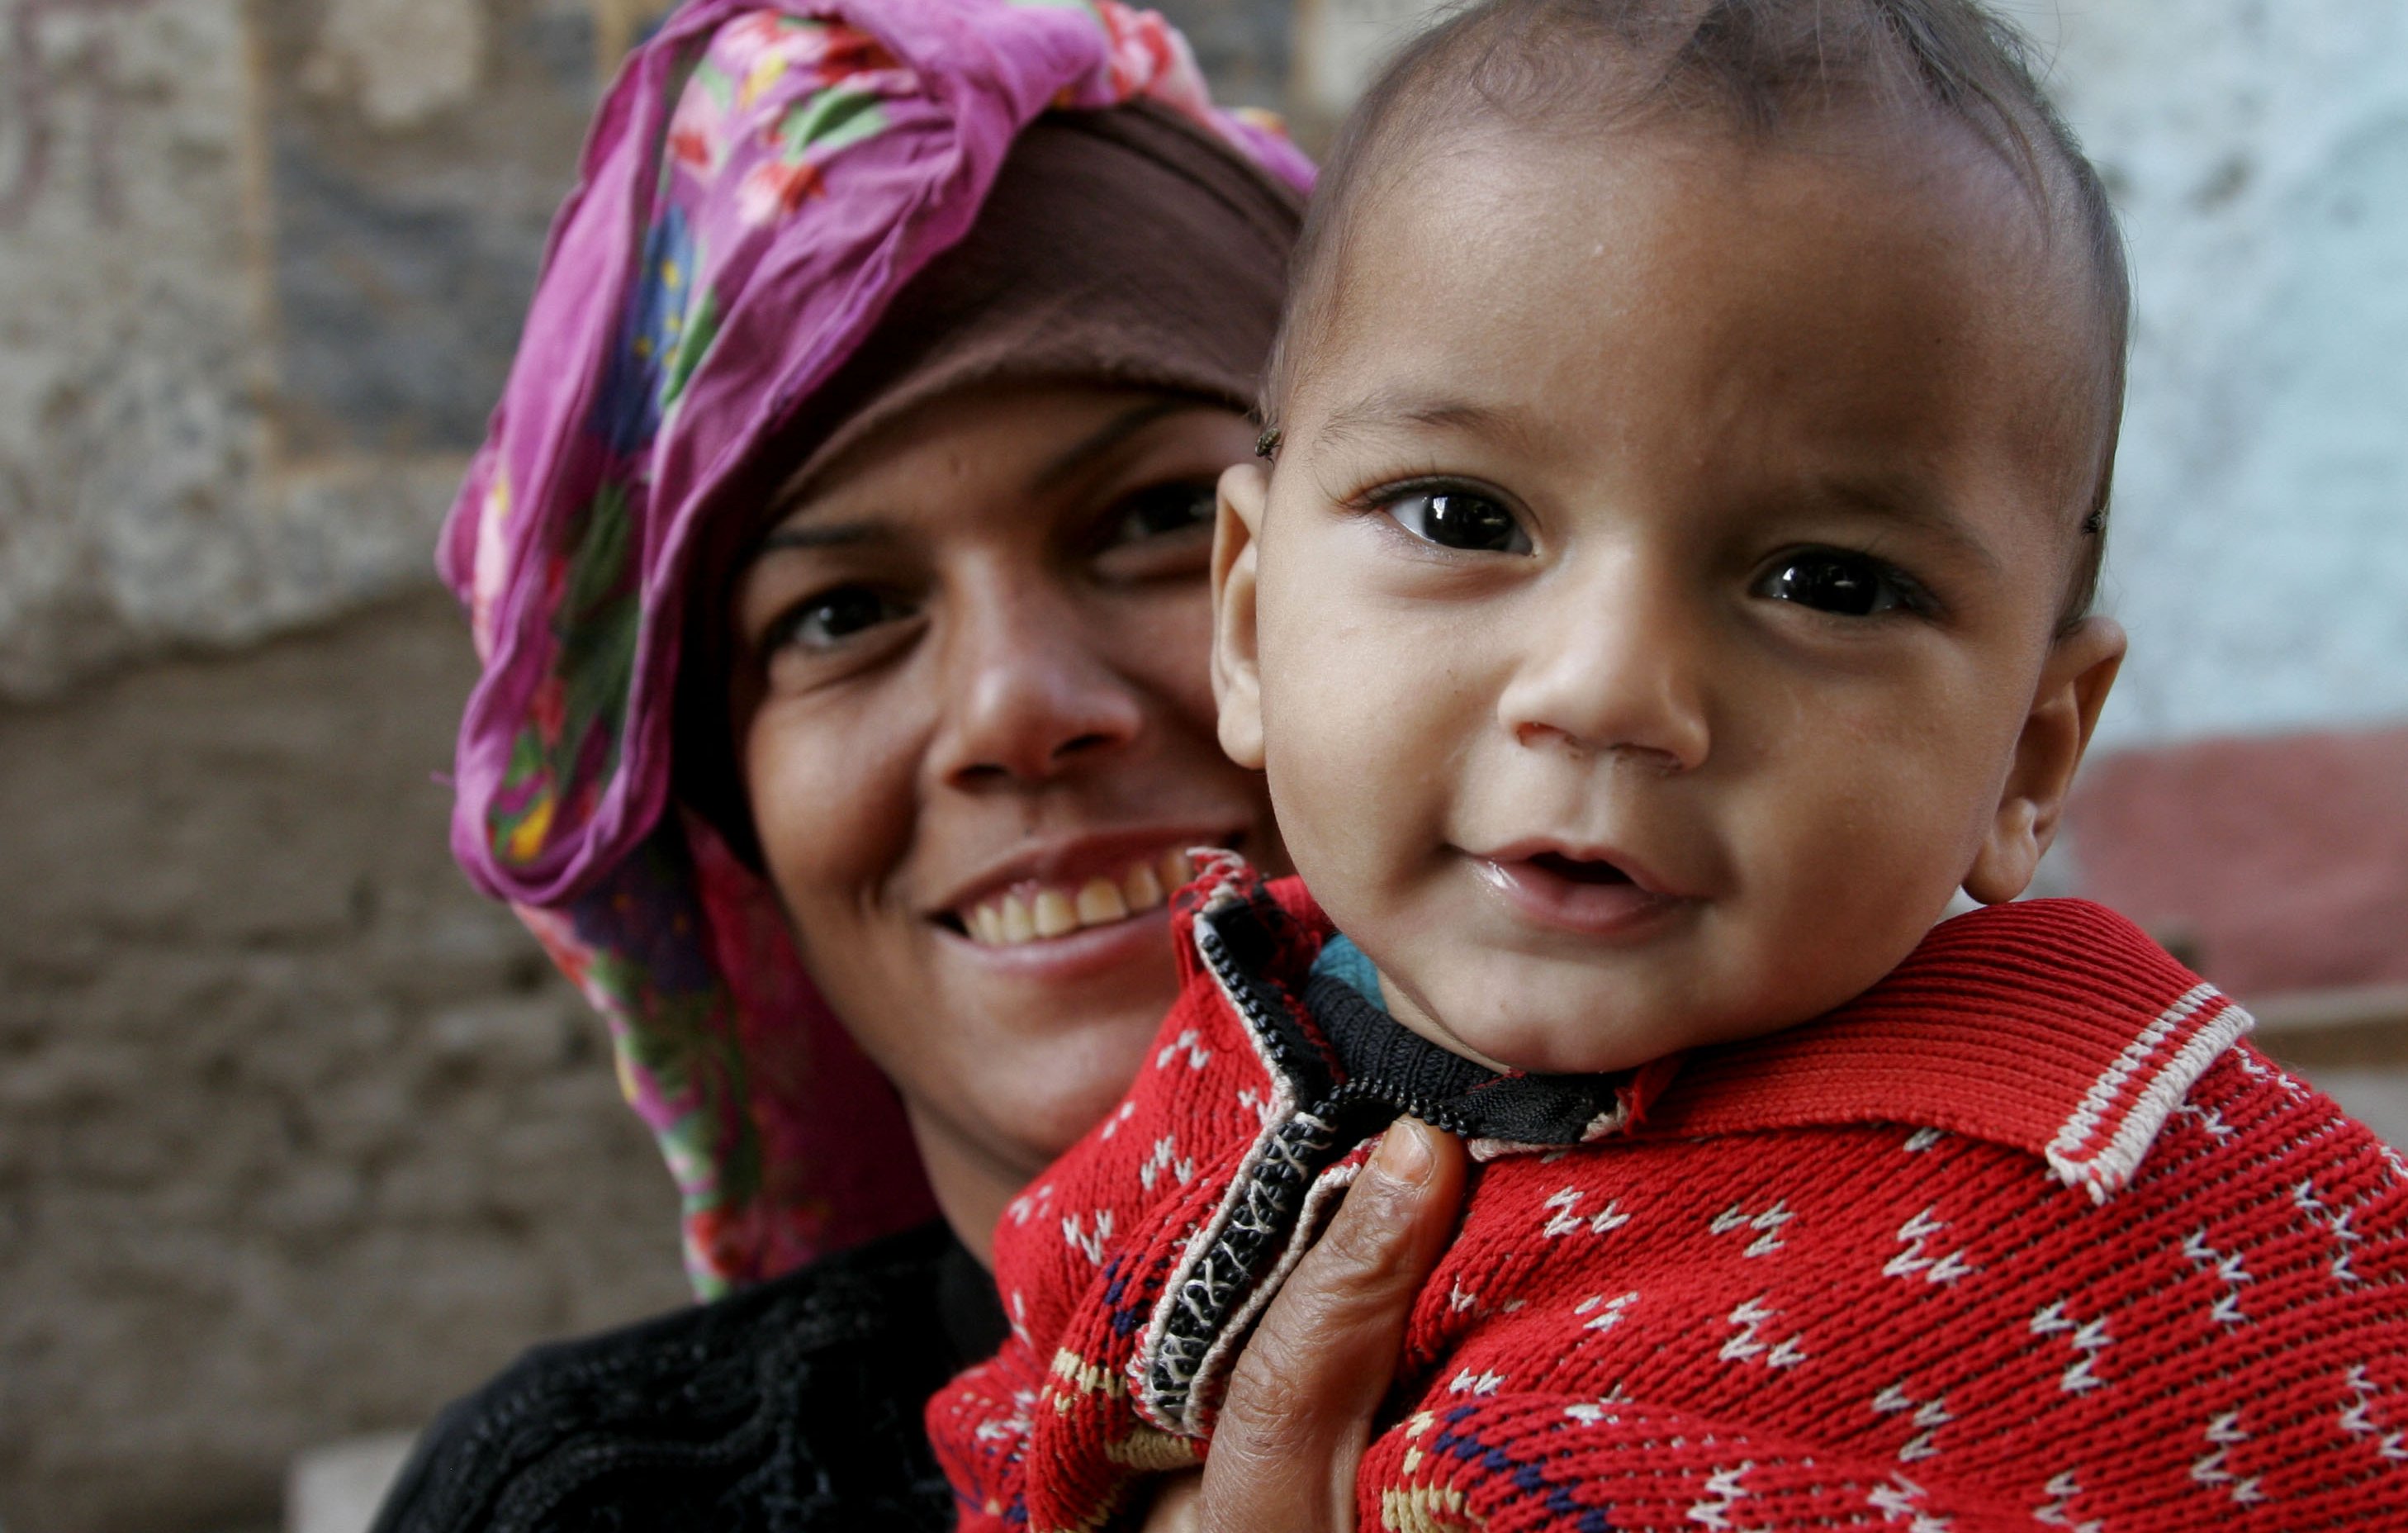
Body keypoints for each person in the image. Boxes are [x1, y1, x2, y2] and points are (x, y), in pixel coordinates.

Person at [933, 1, 2408, 1528]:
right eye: (1462, 518)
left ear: (2029, 757)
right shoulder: (1211, 1063)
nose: (1608, 688)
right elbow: (1010, 1440)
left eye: (1829, 585)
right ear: (1248, 623)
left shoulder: (2120, 1184)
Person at [372, 3, 1467, 1530]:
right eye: (842, 614)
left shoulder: (1816, 1381)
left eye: (1158, 522)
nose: (1016, 709)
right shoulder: (584, 1505)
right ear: (735, 815)